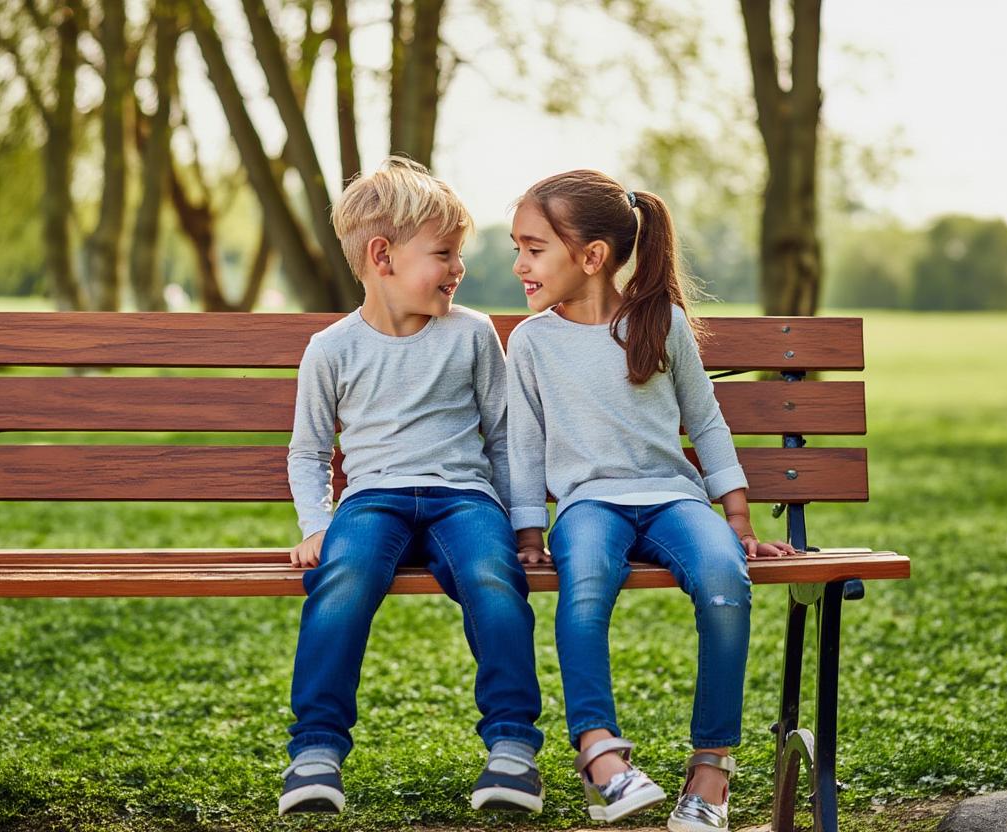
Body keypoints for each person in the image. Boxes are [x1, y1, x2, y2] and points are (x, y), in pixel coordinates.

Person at [505, 169, 795, 832]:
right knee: (584, 588)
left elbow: (707, 421)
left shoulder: (661, 323)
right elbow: (522, 447)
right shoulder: (531, 341)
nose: (520, 264)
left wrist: (737, 519)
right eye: (517, 248)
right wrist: (529, 534)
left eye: (533, 249)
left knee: (724, 579)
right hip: (588, 506)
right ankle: (600, 755)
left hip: (673, 500)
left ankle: (711, 769)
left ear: (592, 256)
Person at [280, 157, 544, 816]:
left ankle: (513, 747)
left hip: (465, 500)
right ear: (383, 257)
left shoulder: (472, 334)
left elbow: (504, 437)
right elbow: (309, 451)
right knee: (343, 578)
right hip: (374, 501)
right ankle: (315, 752)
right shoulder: (332, 348)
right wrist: (317, 526)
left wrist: (523, 524)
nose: (459, 267)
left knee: (492, 578)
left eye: (459, 253)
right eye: (444, 253)